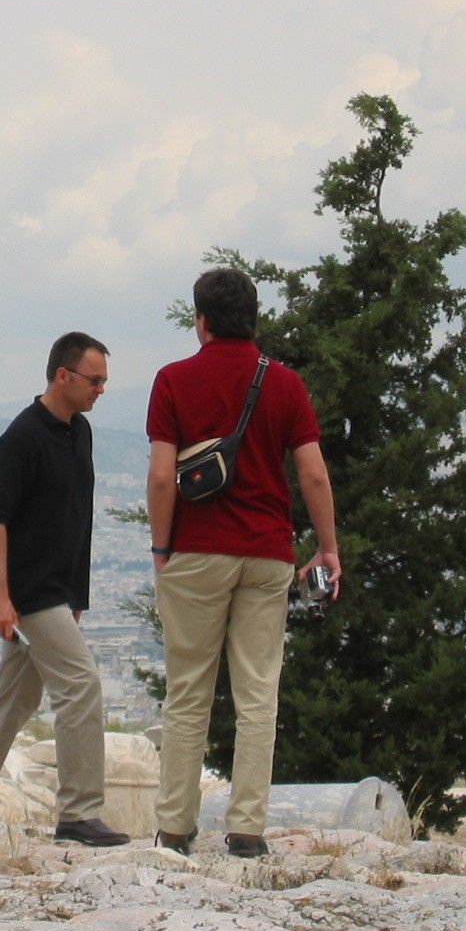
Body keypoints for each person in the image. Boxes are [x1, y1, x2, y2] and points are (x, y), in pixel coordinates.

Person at [146, 268, 340, 858]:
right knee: (258, 694)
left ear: (200, 320)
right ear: (254, 318)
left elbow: (162, 477)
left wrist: (162, 549)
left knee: (188, 693)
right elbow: (312, 473)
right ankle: (247, 829)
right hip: (267, 552)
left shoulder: (173, 380)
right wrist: (327, 548)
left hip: (196, 551)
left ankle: (175, 826)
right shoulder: (284, 383)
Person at [0, 331, 130, 847]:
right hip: (30, 592)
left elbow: (75, 518)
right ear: (63, 376)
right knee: (81, 687)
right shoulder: (21, 437)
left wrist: (77, 594)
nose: (101, 390)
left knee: (14, 702)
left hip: (57, 591)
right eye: (94, 380)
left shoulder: (80, 432)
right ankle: (78, 813)